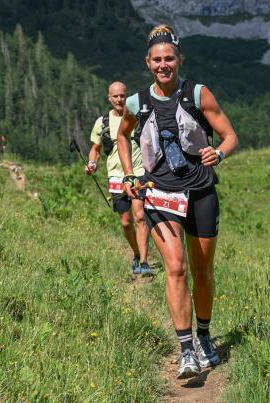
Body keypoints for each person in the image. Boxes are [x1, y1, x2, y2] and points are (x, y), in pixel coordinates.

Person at [117, 25, 238, 379]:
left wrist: (218, 153)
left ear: (179, 60)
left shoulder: (197, 94)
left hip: (200, 191)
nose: (163, 65)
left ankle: (203, 335)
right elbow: (122, 136)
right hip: (160, 194)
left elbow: (230, 136)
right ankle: (186, 350)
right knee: (176, 267)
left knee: (202, 272)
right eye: (157, 60)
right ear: (147, 62)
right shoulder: (137, 103)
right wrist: (129, 174)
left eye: (169, 58)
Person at [86, 81, 152, 276]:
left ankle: (144, 261)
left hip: (138, 171)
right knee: (125, 222)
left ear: (127, 96)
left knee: (139, 215)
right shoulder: (102, 122)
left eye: (122, 96)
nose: (119, 99)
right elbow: (95, 149)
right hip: (115, 175)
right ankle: (136, 252)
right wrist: (92, 163)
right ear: (109, 98)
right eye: (115, 96)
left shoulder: (136, 117)